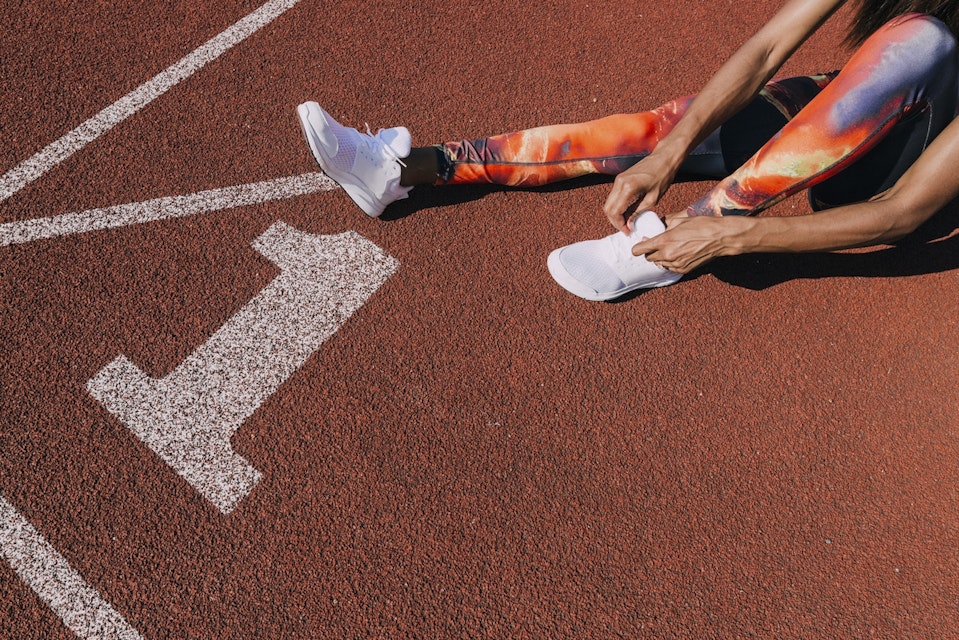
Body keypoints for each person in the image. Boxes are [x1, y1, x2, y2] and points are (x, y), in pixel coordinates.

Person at [297, 0, 959, 301]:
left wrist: (728, 241)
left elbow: (901, 212)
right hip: (863, 108)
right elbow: (762, 50)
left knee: (919, 42)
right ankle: (401, 169)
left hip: (893, 177)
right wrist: (668, 153)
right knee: (648, 132)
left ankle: (676, 238)